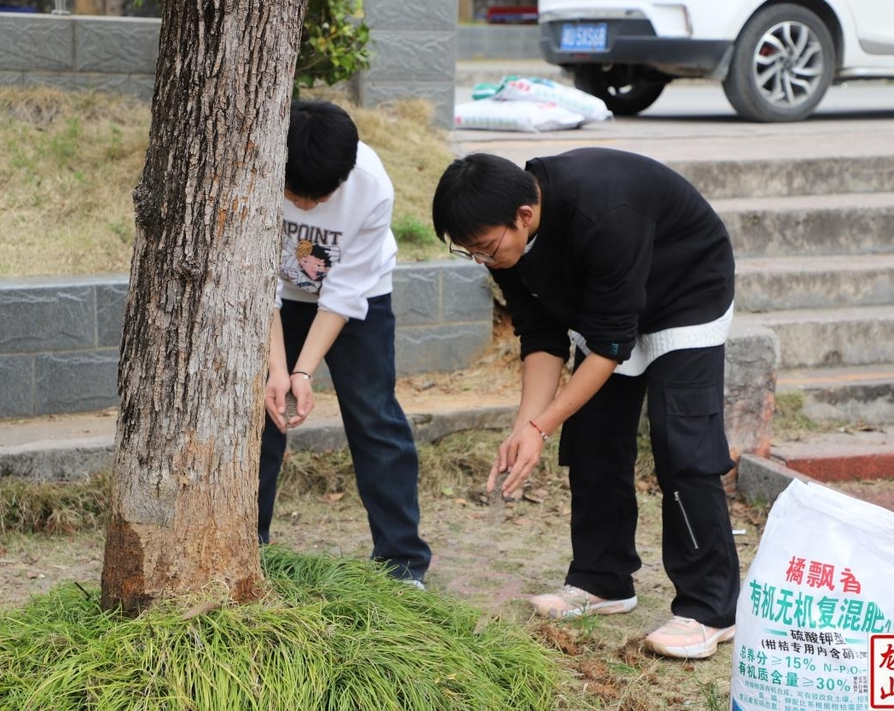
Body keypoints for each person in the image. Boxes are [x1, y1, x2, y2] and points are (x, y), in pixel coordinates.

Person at [430, 148, 740, 659]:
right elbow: (541, 335)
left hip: (685, 291)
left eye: (485, 248)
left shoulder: (603, 210)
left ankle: (710, 608)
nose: (483, 260)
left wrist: (543, 425)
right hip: (607, 307)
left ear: (523, 216)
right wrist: (527, 426)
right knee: (594, 434)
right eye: (470, 253)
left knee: (682, 443)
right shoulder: (507, 243)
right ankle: (603, 580)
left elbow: (612, 348)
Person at [259, 99, 431, 587]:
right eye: (297, 195)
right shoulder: (257, 167)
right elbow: (259, 284)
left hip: (360, 301)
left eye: (320, 197)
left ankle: (402, 562)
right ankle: (247, 546)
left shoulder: (372, 187)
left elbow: (343, 292)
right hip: (276, 300)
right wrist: (277, 371)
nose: (307, 206)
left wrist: (302, 373)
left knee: (374, 415)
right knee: (259, 415)